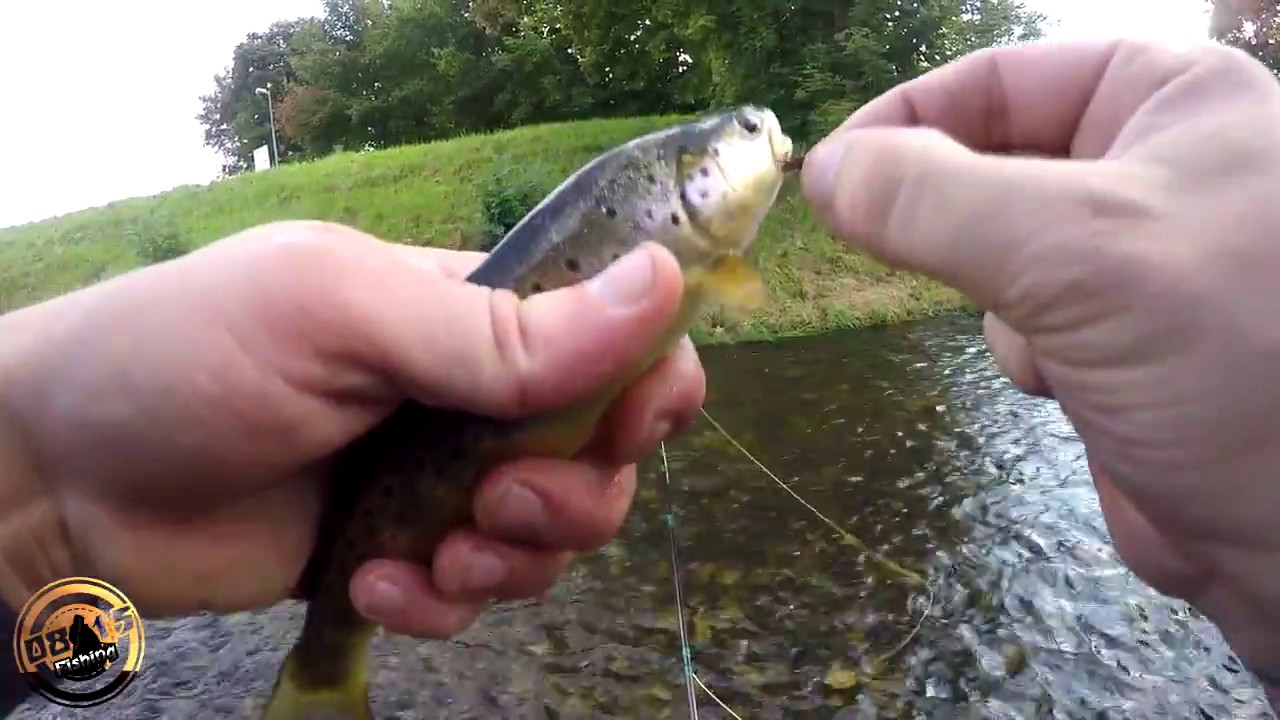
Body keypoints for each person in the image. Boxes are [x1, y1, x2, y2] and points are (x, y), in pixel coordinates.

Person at [0, 35, 1277, 711]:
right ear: (676, 190)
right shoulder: (669, 232)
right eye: (730, 143)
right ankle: (323, 670)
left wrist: (44, 517)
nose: (754, 145)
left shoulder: (704, 252)